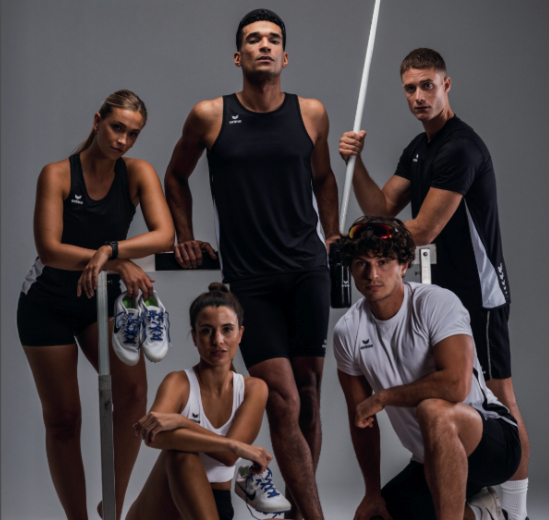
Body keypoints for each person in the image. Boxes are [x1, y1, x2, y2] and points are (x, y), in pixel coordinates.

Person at [339, 48, 529, 520]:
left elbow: (420, 230)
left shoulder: (460, 147)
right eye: (410, 88)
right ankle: (470, 502)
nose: (419, 96)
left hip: (478, 288)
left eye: (428, 85)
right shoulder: (419, 147)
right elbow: (382, 209)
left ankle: (517, 510)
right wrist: (354, 164)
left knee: (497, 394)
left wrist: (357, 240)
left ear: (447, 85)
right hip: (441, 289)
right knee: (448, 401)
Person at [164, 9, 339, 520]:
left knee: (308, 396)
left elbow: (323, 178)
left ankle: (296, 510)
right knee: (281, 398)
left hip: (307, 270)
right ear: (238, 56)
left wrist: (332, 232)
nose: (264, 45)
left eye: (273, 39)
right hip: (251, 278)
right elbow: (175, 176)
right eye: (254, 39)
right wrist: (185, 236)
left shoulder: (311, 112)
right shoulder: (210, 115)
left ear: (285, 55)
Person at [17, 89, 175, 520]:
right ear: (97, 121)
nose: (123, 140)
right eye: (116, 128)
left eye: (133, 133)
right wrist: (118, 262)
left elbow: (165, 236)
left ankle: (113, 505)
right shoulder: (57, 174)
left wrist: (111, 250)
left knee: (134, 395)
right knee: (64, 419)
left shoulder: (137, 173)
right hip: (47, 304)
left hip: (100, 300)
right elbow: (50, 250)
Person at [334, 216, 521, 520]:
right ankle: (481, 513)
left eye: (383, 262)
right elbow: (361, 421)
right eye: (361, 264)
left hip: (490, 444)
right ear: (351, 269)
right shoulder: (348, 331)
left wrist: (383, 397)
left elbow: (455, 386)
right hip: (430, 459)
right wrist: (371, 492)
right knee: (378, 516)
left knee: (433, 410)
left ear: (404, 265)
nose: (372, 274)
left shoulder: (436, 303)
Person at [127, 283, 277, 520]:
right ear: (195, 338)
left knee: (184, 448)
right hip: (161, 505)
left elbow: (228, 457)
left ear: (240, 334)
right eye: (207, 331)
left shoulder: (253, 389)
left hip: (214, 505)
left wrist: (181, 422)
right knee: (180, 455)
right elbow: (153, 436)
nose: (218, 340)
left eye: (227, 330)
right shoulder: (178, 382)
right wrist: (235, 445)